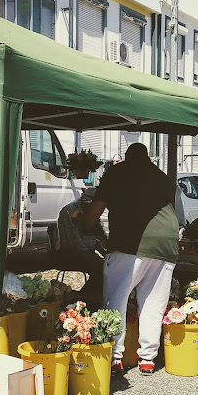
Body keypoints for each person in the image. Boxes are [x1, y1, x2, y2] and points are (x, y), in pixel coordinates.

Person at [83, 143, 179, 375]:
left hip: (129, 243)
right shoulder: (162, 176)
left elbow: (96, 208)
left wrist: (86, 226)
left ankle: (115, 357)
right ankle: (147, 359)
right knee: (153, 302)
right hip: (166, 243)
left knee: (117, 297)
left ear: (126, 157)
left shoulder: (117, 172)